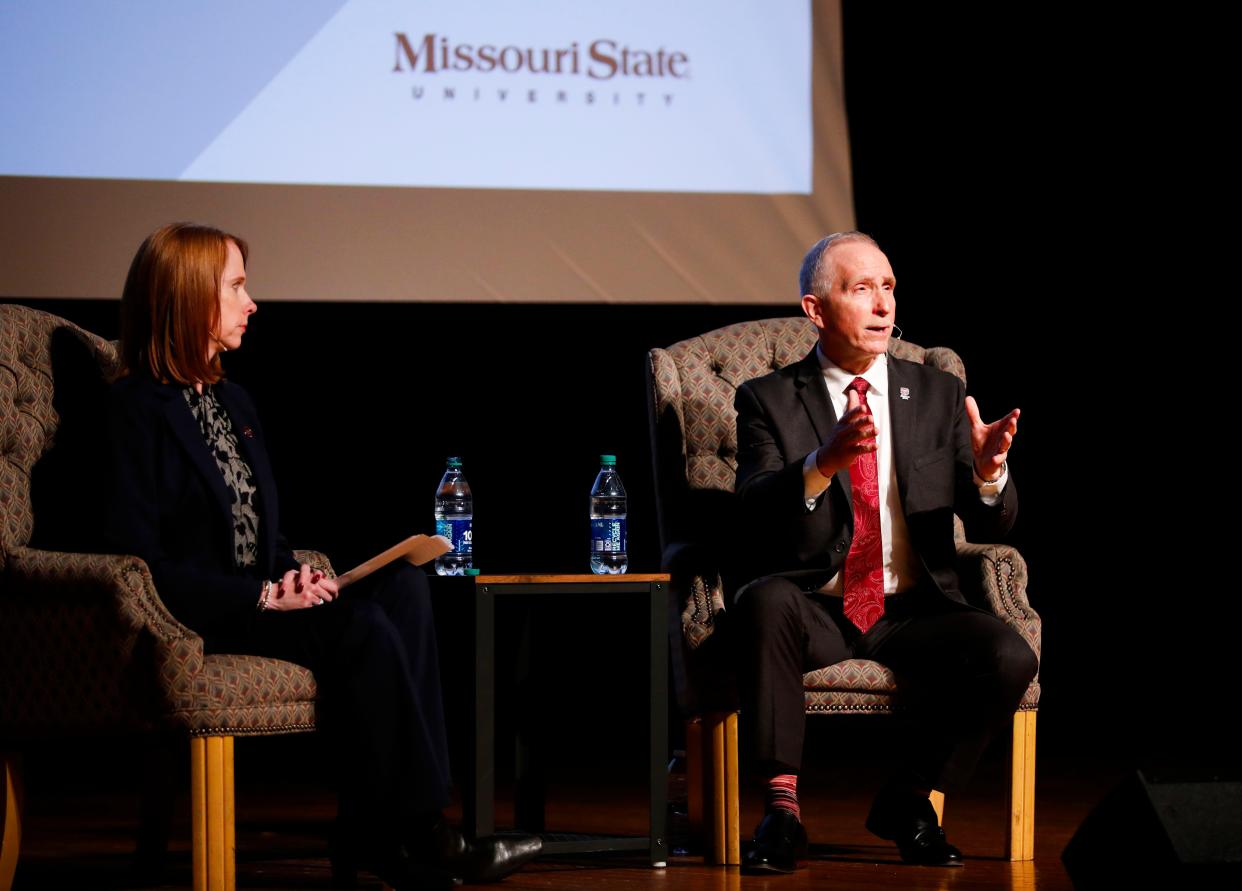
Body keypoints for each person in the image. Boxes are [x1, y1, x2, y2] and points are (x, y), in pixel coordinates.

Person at [105, 222, 540, 890]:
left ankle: (378, 829)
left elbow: (259, 530)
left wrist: (291, 571)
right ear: (189, 297)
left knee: (405, 590)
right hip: (198, 617)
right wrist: (259, 595)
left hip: (261, 600)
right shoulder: (134, 412)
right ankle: (424, 833)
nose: (252, 303)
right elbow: (141, 564)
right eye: (237, 287)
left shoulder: (231, 401)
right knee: (360, 629)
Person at [731, 231, 1038, 871]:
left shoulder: (936, 394)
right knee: (764, 603)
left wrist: (987, 474)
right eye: (861, 288)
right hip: (816, 603)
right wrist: (821, 463)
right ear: (816, 310)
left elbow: (993, 520)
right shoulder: (767, 398)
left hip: (911, 609)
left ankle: (908, 798)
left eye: (889, 288)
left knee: (1009, 655)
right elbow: (756, 510)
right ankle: (781, 812)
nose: (882, 305)